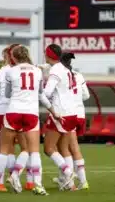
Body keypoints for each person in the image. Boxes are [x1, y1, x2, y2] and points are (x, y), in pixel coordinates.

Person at [0, 45, 55, 195]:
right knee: (34, 151)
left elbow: (7, 95)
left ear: (13, 58)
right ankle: (38, 185)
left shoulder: (10, 71)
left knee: (4, 149)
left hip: (13, 111)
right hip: (31, 113)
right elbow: (41, 94)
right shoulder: (38, 71)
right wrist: (52, 110)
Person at [52, 52, 90, 190]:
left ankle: (72, 180)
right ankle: (67, 178)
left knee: (65, 148)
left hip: (67, 113)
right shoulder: (78, 75)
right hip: (79, 114)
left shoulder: (60, 74)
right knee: (72, 147)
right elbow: (86, 95)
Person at [43, 44, 78, 190]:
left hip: (60, 113)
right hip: (72, 113)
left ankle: (68, 172)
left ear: (48, 55)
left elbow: (47, 93)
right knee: (64, 148)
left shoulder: (56, 70)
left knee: (48, 148)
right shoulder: (64, 68)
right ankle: (70, 185)